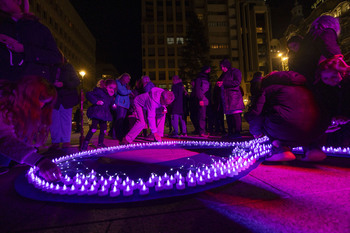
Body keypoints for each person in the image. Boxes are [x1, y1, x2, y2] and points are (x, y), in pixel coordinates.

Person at [0, 76, 61, 181]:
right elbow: (4, 138)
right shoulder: (3, 101)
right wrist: (39, 161)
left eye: (45, 103)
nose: (41, 106)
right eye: (40, 100)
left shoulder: (19, 106)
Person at [0, 0, 62, 82]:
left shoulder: (39, 28)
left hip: (31, 86)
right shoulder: (3, 25)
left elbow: (55, 57)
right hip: (5, 86)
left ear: (19, 1)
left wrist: (24, 49)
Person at [49, 56, 80, 150]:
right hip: (54, 97)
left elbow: (76, 81)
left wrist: (64, 84)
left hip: (66, 97)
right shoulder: (50, 67)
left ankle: (66, 140)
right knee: (54, 120)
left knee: (66, 119)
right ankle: (55, 141)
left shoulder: (68, 67)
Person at [81, 79, 117, 150]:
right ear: (105, 86)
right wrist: (96, 101)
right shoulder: (99, 91)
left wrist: (114, 106)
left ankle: (100, 143)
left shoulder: (111, 96)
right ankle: (85, 142)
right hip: (97, 113)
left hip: (105, 114)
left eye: (113, 88)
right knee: (93, 128)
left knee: (103, 129)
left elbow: (111, 105)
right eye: (110, 87)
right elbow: (89, 94)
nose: (112, 89)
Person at [218, 59, 245, 138]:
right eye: (221, 67)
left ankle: (237, 132)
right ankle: (230, 132)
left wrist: (224, 83)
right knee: (229, 116)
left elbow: (237, 82)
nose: (222, 68)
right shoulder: (224, 74)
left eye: (223, 66)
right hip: (226, 98)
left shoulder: (235, 71)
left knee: (236, 115)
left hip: (234, 97)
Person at [111, 73, 132, 142]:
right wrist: (130, 91)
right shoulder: (117, 83)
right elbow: (122, 92)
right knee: (118, 120)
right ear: (124, 78)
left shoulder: (124, 85)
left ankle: (117, 134)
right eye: (127, 79)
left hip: (124, 105)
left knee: (121, 120)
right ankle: (115, 135)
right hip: (120, 104)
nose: (128, 81)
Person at [194, 66, 211, 137]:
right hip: (203, 99)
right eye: (208, 70)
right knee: (202, 116)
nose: (209, 71)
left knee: (206, 116)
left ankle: (206, 131)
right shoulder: (200, 79)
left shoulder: (207, 78)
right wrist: (200, 99)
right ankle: (202, 131)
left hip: (207, 99)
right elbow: (198, 89)